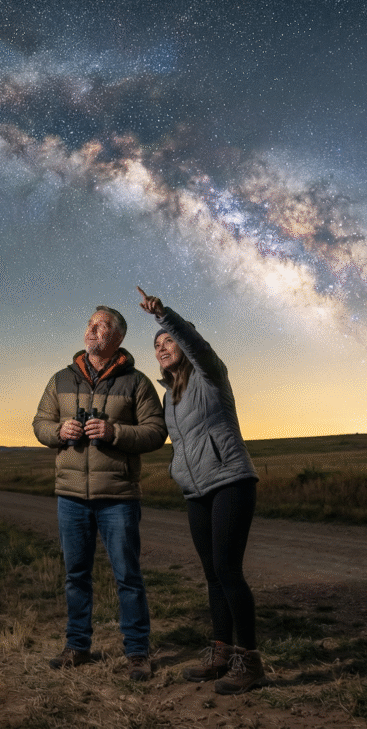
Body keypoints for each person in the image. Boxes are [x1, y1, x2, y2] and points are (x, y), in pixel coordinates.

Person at [137, 286, 266, 694]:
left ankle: (250, 660)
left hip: (230, 481)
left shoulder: (210, 374)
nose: (162, 347)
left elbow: (198, 345)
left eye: (168, 340)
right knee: (212, 575)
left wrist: (164, 316)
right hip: (196, 491)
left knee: (229, 570)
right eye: (157, 345)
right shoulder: (168, 397)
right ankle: (221, 651)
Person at [32, 305, 166, 681]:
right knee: (76, 575)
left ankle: (137, 652)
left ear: (118, 338)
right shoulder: (60, 379)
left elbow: (156, 431)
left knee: (128, 575)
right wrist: (60, 432)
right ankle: (77, 646)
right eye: (91, 324)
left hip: (119, 496)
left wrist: (115, 434)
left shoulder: (137, 382)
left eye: (103, 326)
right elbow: (40, 422)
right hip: (71, 496)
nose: (93, 330)